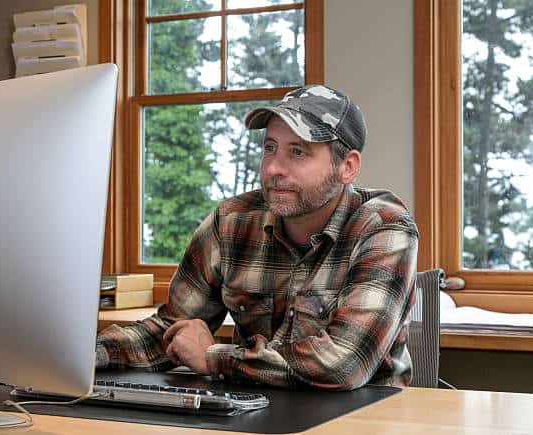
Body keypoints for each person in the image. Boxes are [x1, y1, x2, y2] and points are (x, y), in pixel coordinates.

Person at [96, 85, 419, 390]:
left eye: (298, 152)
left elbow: (344, 365)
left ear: (347, 167)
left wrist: (214, 358)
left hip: (364, 416)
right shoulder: (231, 223)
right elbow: (171, 332)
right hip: (257, 410)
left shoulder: (383, 227)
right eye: (270, 148)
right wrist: (92, 354)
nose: (274, 168)